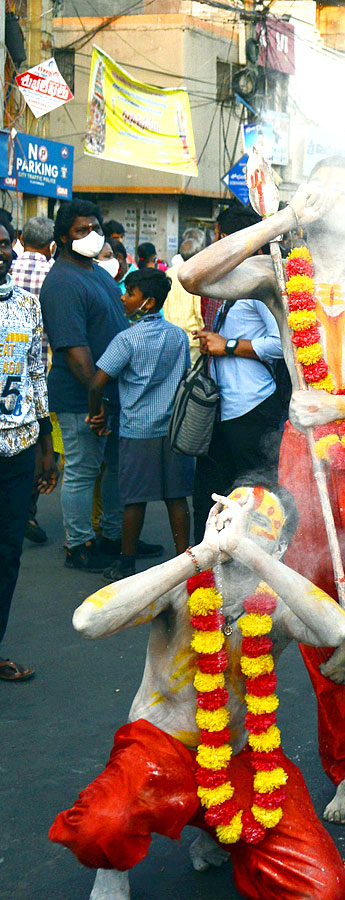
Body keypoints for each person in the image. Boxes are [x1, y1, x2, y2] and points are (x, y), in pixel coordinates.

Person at [180, 156, 345, 826]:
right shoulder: (279, 276)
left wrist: (340, 407)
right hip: (307, 465)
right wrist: (282, 219)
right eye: (322, 184)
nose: (334, 193)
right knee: (314, 615)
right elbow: (193, 275)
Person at [49, 486, 345, 900]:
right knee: (98, 827)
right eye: (230, 511)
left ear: (280, 546)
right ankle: (111, 867)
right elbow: (87, 621)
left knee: (324, 889)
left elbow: (335, 630)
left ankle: (223, 833)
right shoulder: (182, 584)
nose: (239, 525)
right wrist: (200, 557)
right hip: (158, 752)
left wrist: (252, 555)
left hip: (240, 758)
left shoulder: (278, 602)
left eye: (256, 522)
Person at [41, 199, 146, 572]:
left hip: (113, 393)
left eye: (95, 228)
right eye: (81, 231)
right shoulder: (62, 282)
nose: (91, 236)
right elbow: (74, 353)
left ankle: (113, 537)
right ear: (64, 237)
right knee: (84, 471)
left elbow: (115, 323)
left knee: (117, 469)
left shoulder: (97, 272)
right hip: (82, 395)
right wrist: (96, 401)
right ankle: (78, 544)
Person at [88, 268, 193, 581]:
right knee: (176, 497)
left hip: (137, 430)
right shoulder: (178, 336)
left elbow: (97, 383)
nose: (123, 297)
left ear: (147, 302)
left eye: (129, 293)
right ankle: (183, 563)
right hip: (173, 429)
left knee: (134, 499)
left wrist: (96, 414)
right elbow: (184, 375)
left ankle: (126, 561)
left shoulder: (126, 339)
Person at [189, 206, 285, 544]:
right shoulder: (223, 277)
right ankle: (207, 568)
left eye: (217, 237)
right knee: (210, 496)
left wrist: (227, 345)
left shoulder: (259, 277)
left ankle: (256, 574)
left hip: (251, 406)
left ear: (225, 238)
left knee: (255, 497)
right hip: (222, 406)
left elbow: (280, 343)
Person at [0, 221, 57, 681]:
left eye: (3, 244)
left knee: (7, 554)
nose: (0, 253)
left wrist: (45, 444)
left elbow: (36, 374)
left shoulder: (26, 306)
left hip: (18, 449)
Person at [11, 215, 57, 544]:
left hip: (6, 373)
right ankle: (24, 511)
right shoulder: (54, 276)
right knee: (31, 445)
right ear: (51, 245)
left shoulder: (7, 270)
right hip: (39, 371)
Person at [164, 237, 205, 362]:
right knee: (190, 376)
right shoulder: (196, 275)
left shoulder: (169, 273)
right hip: (192, 336)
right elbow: (198, 309)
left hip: (170, 334)